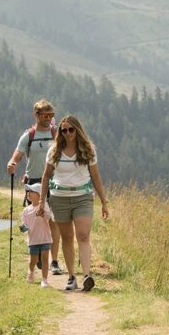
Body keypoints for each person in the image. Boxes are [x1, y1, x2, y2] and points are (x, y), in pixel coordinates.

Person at [39, 114, 109, 292]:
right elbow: (46, 175)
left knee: (83, 235)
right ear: (60, 132)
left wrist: (104, 201)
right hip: (59, 198)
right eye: (64, 130)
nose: (68, 133)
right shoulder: (54, 151)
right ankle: (71, 277)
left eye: (71, 130)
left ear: (77, 130)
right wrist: (41, 201)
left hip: (83, 197)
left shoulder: (88, 149)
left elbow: (95, 176)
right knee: (67, 238)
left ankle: (87, 275)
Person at [6, 99, 62, 273]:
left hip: (55, 182)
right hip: (34, 183)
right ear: (36, 115)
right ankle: (38, 254)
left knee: (53, 220)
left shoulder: (57, 134)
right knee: (38, 220)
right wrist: (12, 163)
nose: (48, 118)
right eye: (45, 115)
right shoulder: (29, 135)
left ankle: (53, 261)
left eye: (51, 115)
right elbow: (18, 155)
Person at [19, 183, 53, 287]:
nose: (29, 193)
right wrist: (23, 228)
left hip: (45, 238)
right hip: (33, 239)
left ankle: (44, 279)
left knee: (44, 258)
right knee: (33, 259)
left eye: (31, 192)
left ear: (39, 195)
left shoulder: (44, 206)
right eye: (28, 192)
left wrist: (42, 213)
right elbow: (25, 225)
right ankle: (31, 271)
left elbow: (49, 217)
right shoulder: (26, 210)